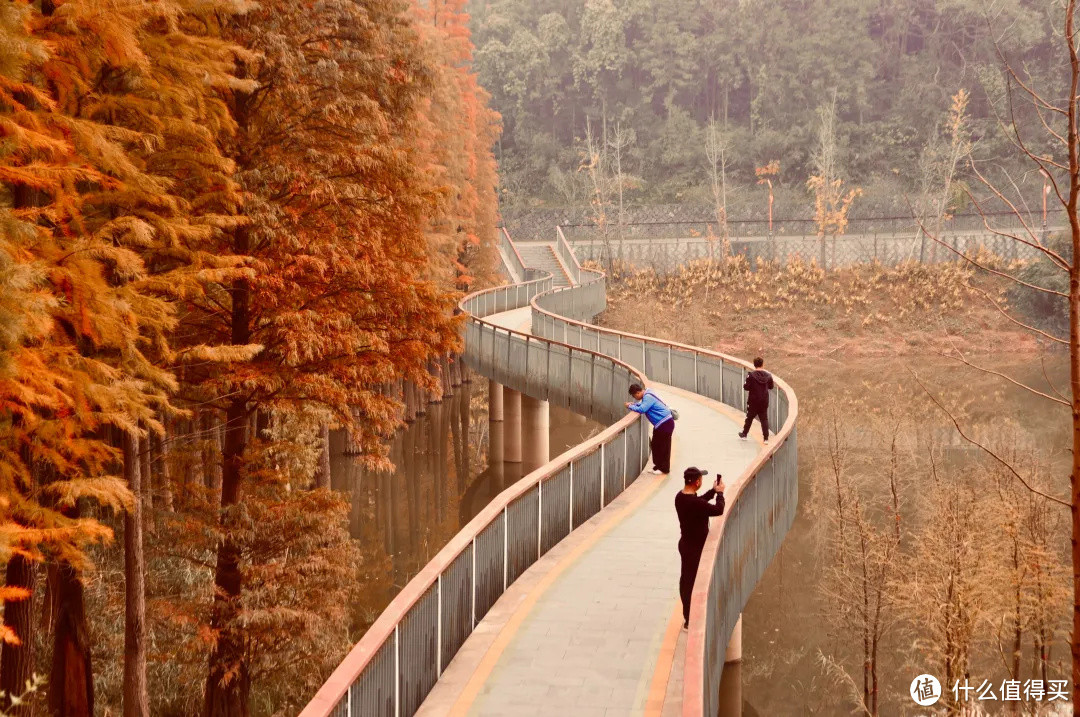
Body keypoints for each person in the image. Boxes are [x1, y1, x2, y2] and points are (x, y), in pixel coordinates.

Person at [675, 467, 725, 629]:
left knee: (686, 580)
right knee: (690, 583)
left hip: (685, 544)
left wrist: (712, 491)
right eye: (701, 479)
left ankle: (689, 615)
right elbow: (718, 510)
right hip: (695, 549)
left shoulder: (680, 497)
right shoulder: (695, 503)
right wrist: (720, 494)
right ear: (697, 482)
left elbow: (700, 503)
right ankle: (690, 619)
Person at [626, 383, 674, 474]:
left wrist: (630, 406)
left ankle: (664, 469)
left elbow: (642, 409)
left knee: (664, 447)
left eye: (634, 396)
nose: (635, 398)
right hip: (660, 424)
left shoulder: (648, 397)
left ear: (637, 393)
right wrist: (635, 405)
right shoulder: (647, 393)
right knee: (656, 445)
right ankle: (658, 466)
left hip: (665, 423)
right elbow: (642, 405)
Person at [739, 357, 774, 444]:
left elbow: (746, 387)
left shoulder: (751, 375)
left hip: (753, 401)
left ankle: (744, 434)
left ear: (754, 365)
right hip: (764, 401)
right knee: (764, 419)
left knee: (749, 418)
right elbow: (771, 386)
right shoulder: (768, 375)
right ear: (762, 364)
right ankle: (766, 438)